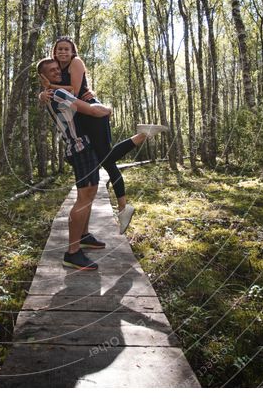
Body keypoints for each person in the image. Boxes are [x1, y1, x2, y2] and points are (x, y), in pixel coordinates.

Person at [36, 57, 167, 271]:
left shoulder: (52, 93)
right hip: (79, 147)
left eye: (57, 69)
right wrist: (108, 109)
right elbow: (91, 111)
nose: (57, 72)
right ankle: (72, 253)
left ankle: (84, 235)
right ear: (43, 77)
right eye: (51, 71)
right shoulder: (59, 93)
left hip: (80, 146)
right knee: (84, 198)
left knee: (91, 191)